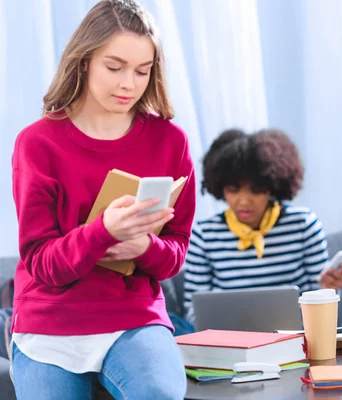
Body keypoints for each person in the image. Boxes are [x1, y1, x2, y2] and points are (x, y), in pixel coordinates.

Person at [10, 1, 195, 398]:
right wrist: (103, 233)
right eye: (115, 67)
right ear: (84, 61)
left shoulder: (170, 141)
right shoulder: (37, 144)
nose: (129, 83)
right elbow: (42, 263)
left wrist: (144, 246)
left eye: (142, 71)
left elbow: (175, 253)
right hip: (50, 321)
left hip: (133, 318)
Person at [183, 128, 342, 324]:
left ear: (273, 186)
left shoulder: (303, 225)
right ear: (220, 187)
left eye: (256, 190)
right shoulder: (204, 235)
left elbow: (322, 306)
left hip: (296, 341)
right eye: (233, 190)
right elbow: (193, 311)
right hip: (231, 346)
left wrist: (329, 290)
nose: (244, 202)